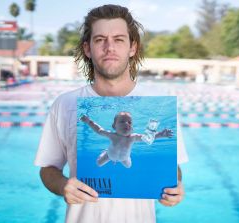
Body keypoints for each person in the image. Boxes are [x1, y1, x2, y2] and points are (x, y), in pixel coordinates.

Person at [35, 4, 188, 223]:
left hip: (134, 195)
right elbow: (48, 168)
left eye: (118, 39)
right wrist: (62, 185)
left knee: (127, 165)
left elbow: (173, 168)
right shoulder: (65, 104)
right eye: (100, 40)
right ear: (87, 48)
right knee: (102, 160)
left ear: (132, 47)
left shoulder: (159, 104)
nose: (109, 47)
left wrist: (175, 186)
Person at [80, 112, 173, 168]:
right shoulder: (112, 135)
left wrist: (161, 134)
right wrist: (89, 121)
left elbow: (148, 138)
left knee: (129, 166)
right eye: (122, 121)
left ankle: (127, 157)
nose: (126, 124)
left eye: (129, 122)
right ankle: (105, 152)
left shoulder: (133, 137)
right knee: (98, 163)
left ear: (132, 128)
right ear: (114, 126)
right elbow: (99, 130)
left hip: (124, 158)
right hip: (109, 156)